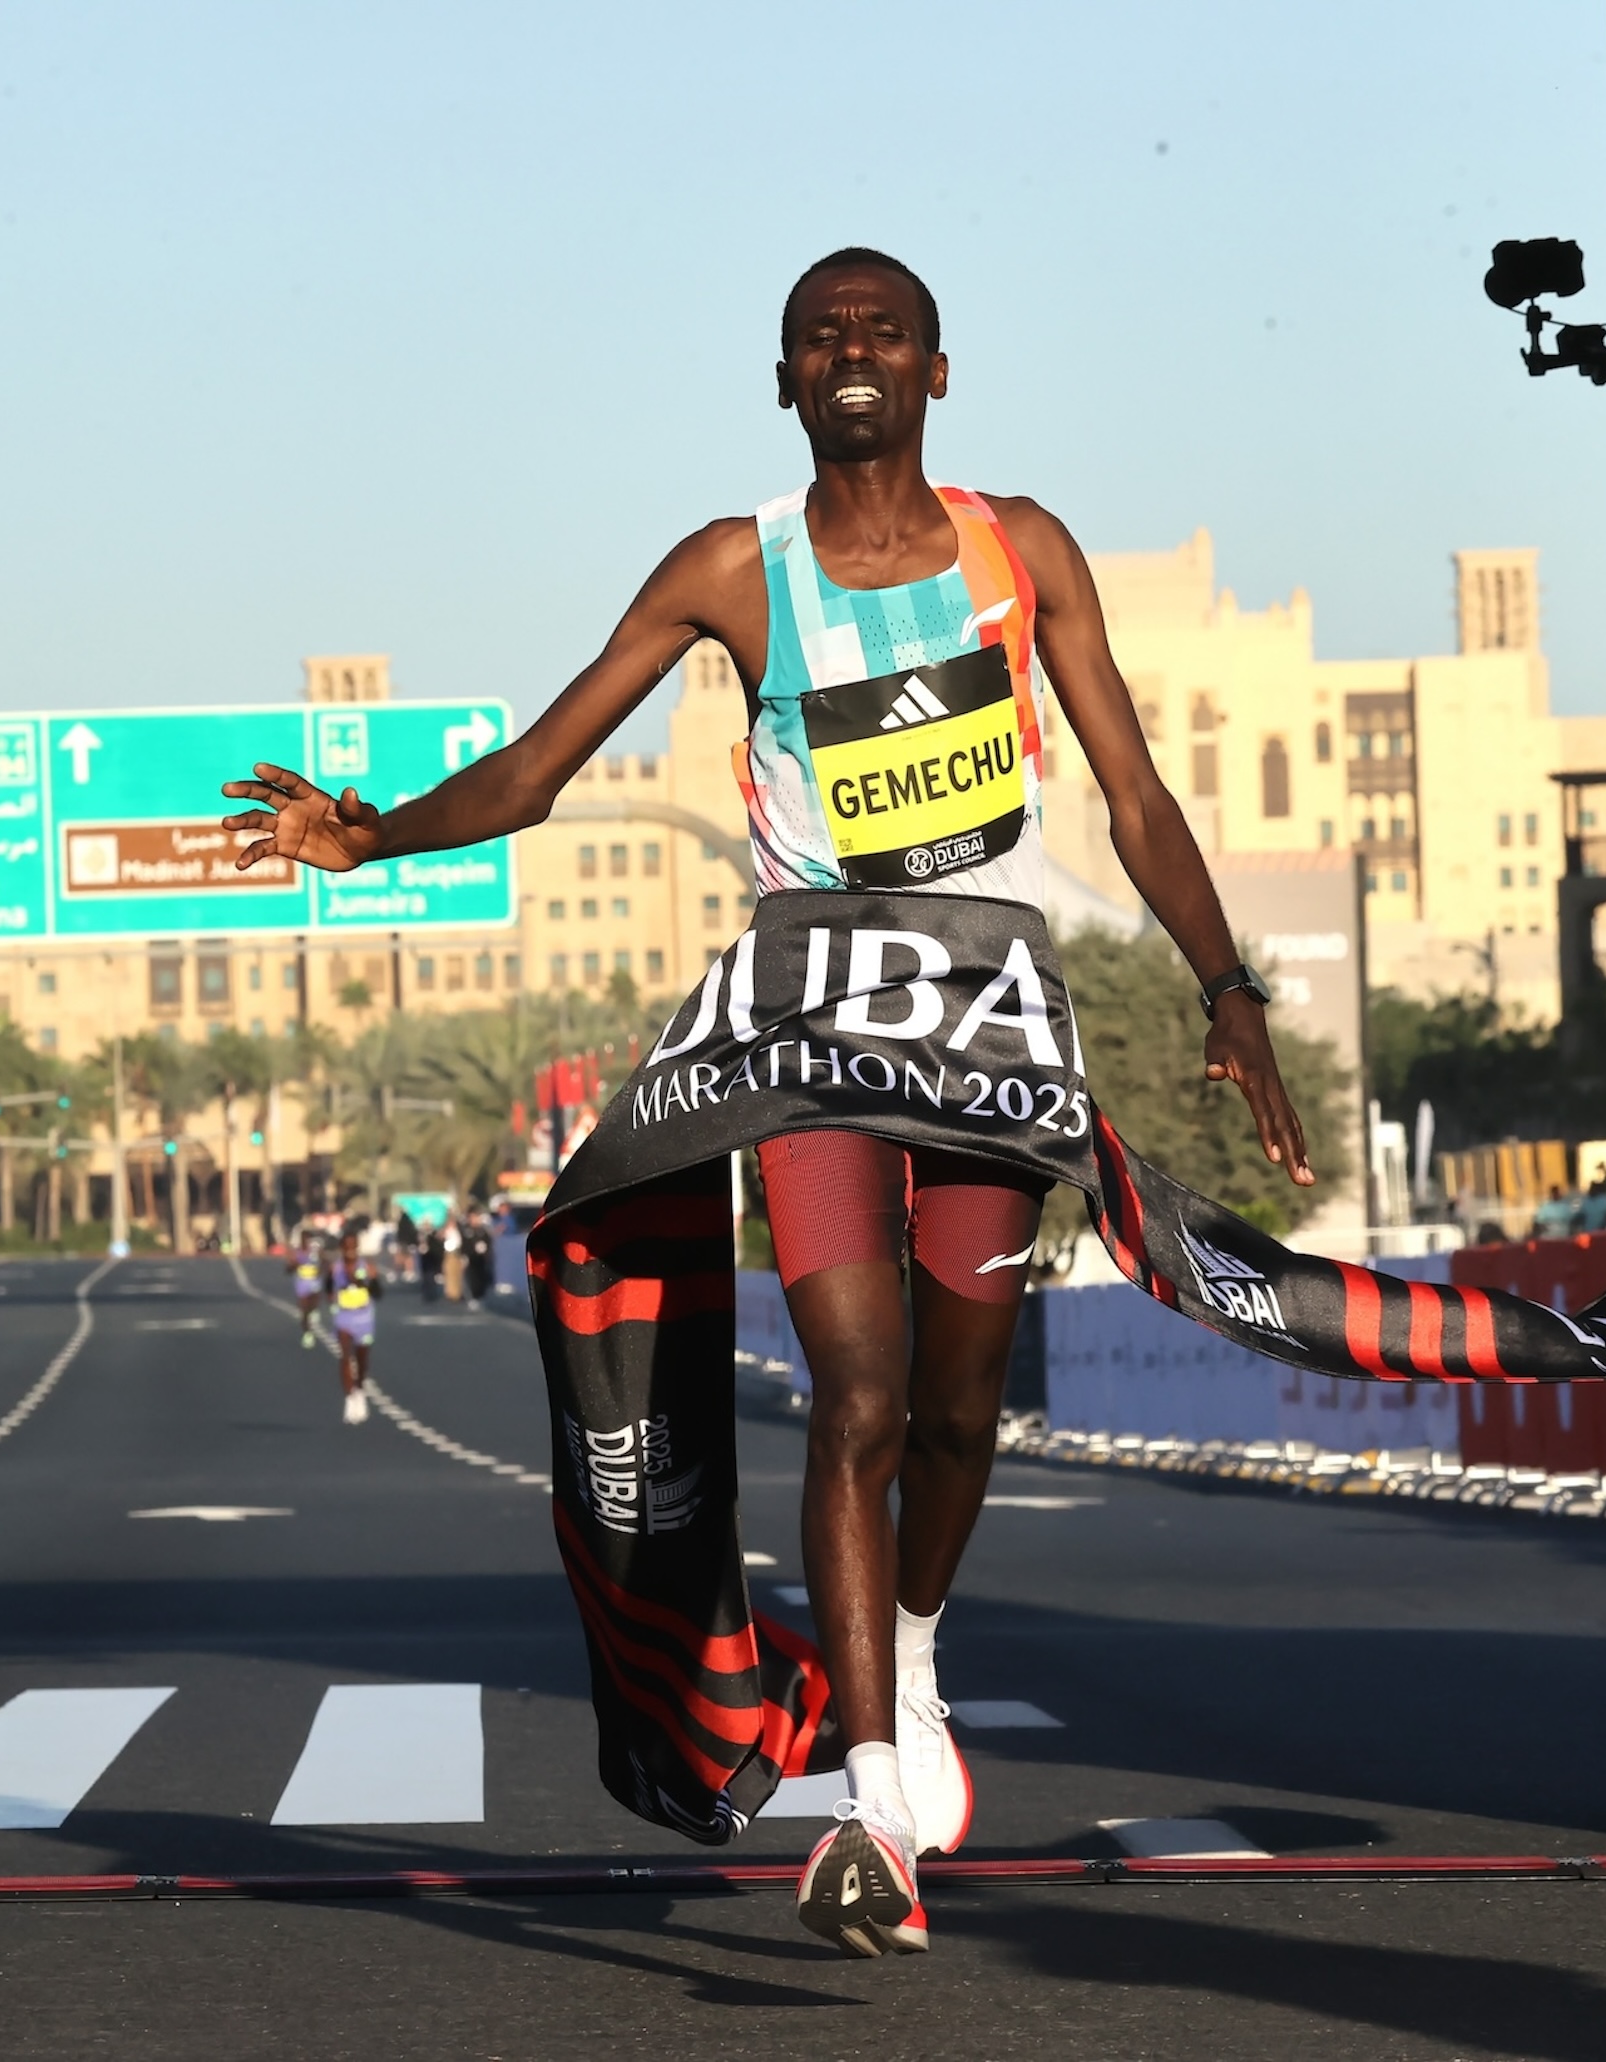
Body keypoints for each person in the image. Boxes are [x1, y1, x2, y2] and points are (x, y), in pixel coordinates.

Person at [221, 247, 1312, 1957]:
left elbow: (1133, 791)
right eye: (822, 332)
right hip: (808, 1007)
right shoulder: (734, 568)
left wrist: (1227, 986)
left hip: (985, 1001)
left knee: (959, 1410)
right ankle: (871, 1796)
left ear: (937, 373)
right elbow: (536, 769)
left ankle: (921, 1654)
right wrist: (366, 834)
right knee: (857, 1393)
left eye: (883, 329)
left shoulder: (1023, 551)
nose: (852, 348)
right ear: (784, 378)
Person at [332, 1255, 380, 1423]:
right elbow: (328, 1288)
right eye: (346, 1247)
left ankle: (359, 1390)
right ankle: (350, 1398)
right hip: (344, 1318)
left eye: (353, 1247)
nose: (350, 1251)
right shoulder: (336, 1268)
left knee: (362, 1359)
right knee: (345, 1356)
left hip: (363, 1318)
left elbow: (378, 1293)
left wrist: (373, 1278)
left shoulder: (365, 1267)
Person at [291, 1242, 330, 1348]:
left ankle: (314, 1310)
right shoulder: (297, 1252)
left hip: (314, 1283)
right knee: (303, 1311)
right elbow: (289, 1268)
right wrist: (294, 1264)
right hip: (302, 1284)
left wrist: (320, 1270)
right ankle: (308, 1333)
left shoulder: (316, 1249)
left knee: (313, 1304)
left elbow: (326, 1262)